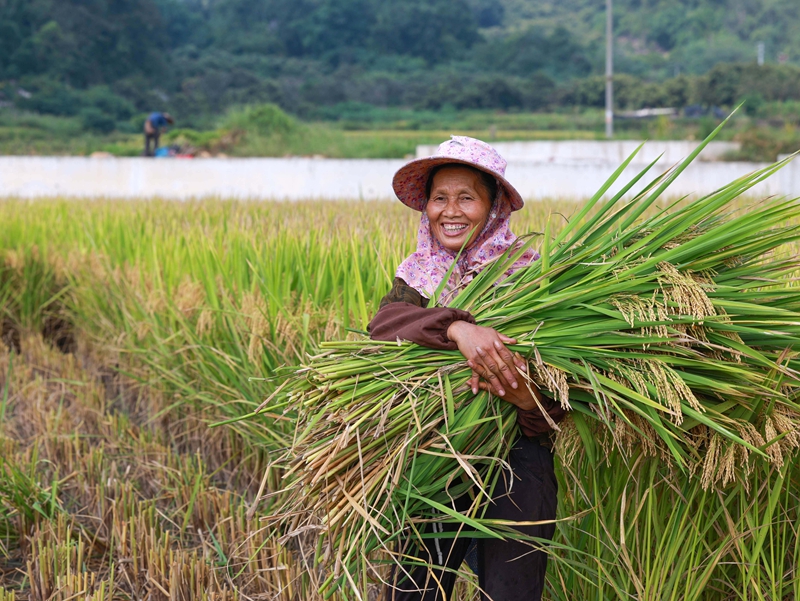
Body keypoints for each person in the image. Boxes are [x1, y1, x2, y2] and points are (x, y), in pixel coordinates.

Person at [368, 136, 566, 601]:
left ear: (493, 206)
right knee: (415, 590)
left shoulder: (530, 281)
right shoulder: (417, 278)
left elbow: (564, 396)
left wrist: (524, 397)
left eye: (466, 198)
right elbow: (383, 328)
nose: (449, 211)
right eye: (439, 198)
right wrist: (459, 330)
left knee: (509, 593)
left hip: (517, 464)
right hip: (435, 454)